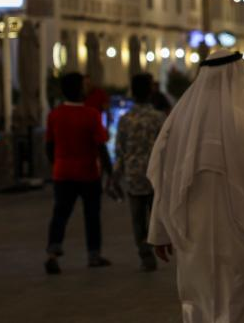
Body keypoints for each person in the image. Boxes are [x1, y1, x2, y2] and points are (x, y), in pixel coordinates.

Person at [147, 50, 244, 323]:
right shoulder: (241, 123)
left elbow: (165, 181)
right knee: (233, 306)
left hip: (191, 236)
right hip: (231, 236)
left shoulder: (178, 122)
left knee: (198, 304)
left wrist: (159, 231)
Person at [44, 72, 112, 275]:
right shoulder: (91, 114)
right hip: (88, 172)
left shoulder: (54, 115)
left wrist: (56, 163)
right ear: (79, 89)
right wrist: (110, 171)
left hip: (62, 172)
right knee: (92, 215)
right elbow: (101, 146)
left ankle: (52, 253)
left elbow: (49, 146)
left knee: (60, 213)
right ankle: (94, 255)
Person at [110, 72, 166, 272]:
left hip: (133, 177)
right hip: (156, 175)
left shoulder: (126, 120)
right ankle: (159, 245)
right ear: (151, 91)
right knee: (157, 215)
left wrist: (115, 177)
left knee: (137, 219)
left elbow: (119, 151)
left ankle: (145, 254)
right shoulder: (159, 118)